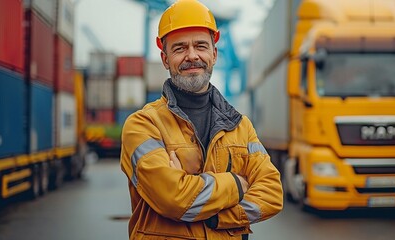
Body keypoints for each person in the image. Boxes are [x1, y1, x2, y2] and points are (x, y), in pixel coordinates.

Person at [119, 0, 283, 239]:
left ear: (214, 54)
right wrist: (237, 184)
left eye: (200, 46)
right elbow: (174, 199)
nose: (192, 56)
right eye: (179, 48)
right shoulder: (142, 125)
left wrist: (219, 216)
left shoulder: (240, 126)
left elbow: (273, 193)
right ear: (165, 59)